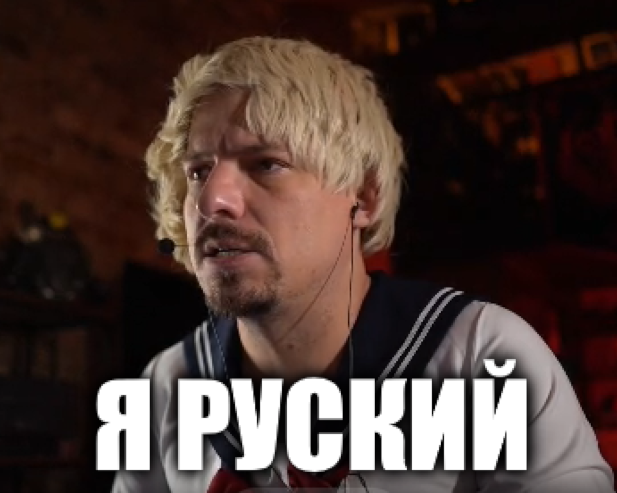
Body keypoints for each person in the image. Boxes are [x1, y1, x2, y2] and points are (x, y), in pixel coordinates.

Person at [111, 36, 615, 493]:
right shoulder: (167, 388)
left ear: (364, 197)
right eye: (198, 171)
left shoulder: (485, 358)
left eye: (267, 164)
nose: (212, 200)